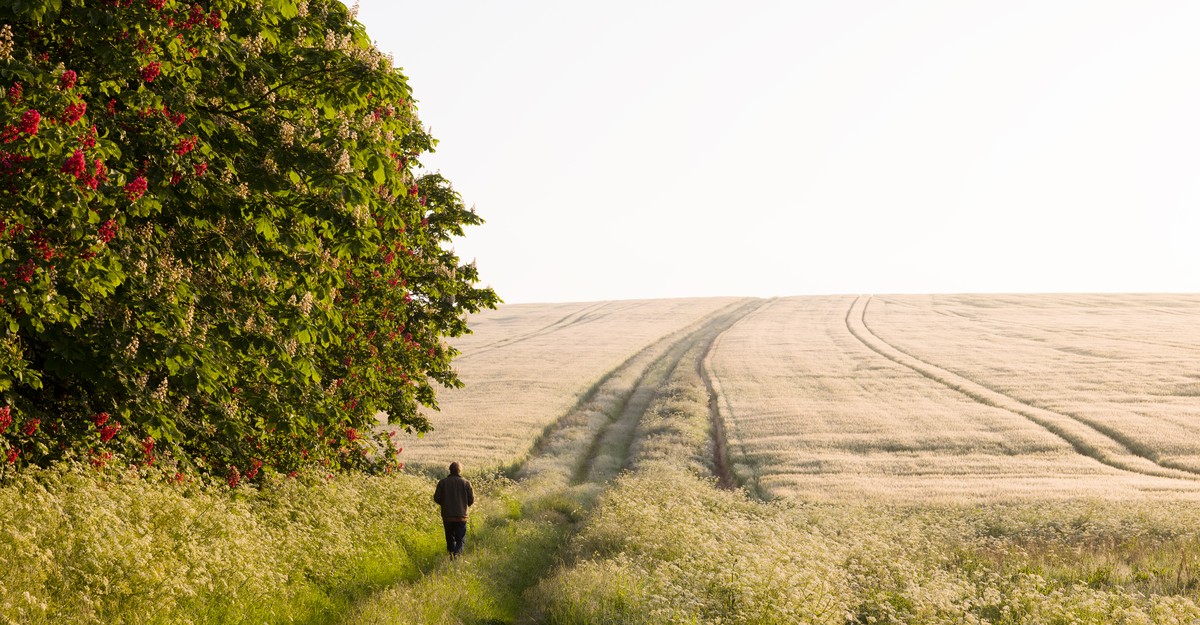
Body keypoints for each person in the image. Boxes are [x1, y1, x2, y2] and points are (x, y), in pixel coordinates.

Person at [433, 461, 474, 559]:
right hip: (461, 516)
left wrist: (445, 505)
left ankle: (451, 555)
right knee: (460, 539)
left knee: (450, 538)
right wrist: (464, 505)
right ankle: (457, 554)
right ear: (460, 471)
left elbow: (436, 498)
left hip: (447, 516)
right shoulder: (466, 483)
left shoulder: (442, 483)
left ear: (450, 470)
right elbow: (471, 500)